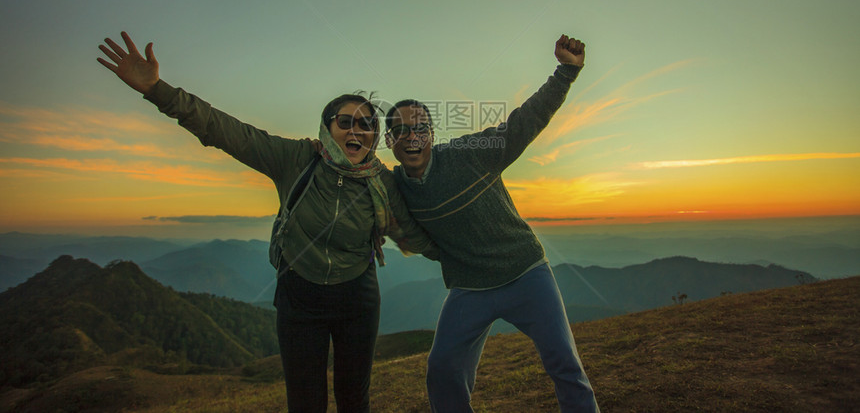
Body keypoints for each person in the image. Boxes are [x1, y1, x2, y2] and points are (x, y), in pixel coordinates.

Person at [97, 31, 438, 413]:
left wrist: (472, 257)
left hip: (357, 297)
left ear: (375, 137)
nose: (356, 130)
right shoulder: (294, 159)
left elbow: (416, 235)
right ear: (328, 127)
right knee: (305, 400)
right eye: (346, 121)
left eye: (366, 125)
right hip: (299, 298)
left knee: (353, 396)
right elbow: (225, 131)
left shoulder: (382, 182)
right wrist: (157, 90)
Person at [384, 35, 600, 412]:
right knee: (442, 370)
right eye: (400, 130)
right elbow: (361, 183)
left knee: (565, 364)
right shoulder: (395, 187)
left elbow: (524, 123)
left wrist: (566, 71)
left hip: (526, 272)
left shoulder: (470, 154)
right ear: (390, 141)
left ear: (432, 134)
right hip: (469, 287)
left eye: (419, 127)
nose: (411, 136)